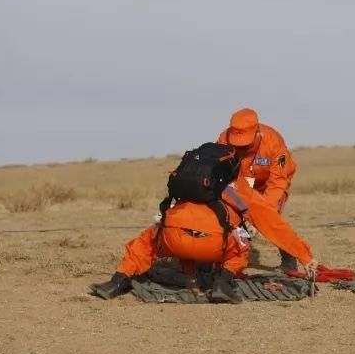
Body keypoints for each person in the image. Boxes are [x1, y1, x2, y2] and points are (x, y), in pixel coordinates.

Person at [91, 144, 317, 304]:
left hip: (172, 238)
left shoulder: (190, 180)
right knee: (242, 245)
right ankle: (223, 283)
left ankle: (116, 282)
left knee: (144, 242)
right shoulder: (238, 188)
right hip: (214, 244)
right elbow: (273, 225)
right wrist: (305, 257)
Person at [216, 108, 300, 271]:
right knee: (230, 217)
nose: (241, 149)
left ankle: (289, 261)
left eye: (245, 144)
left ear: (257, 133)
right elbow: (220, 172)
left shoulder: (275, 143)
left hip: (270, 184)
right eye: (237, 145)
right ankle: (226, 257)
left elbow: (279, 179)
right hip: (240, 185)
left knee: (271, 221)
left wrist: (262, 212)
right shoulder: (223, 140)